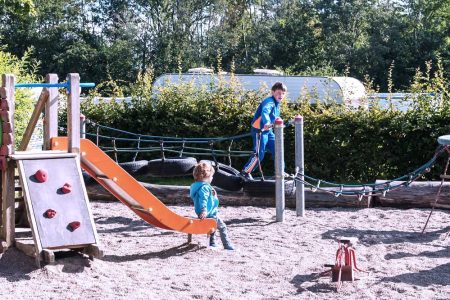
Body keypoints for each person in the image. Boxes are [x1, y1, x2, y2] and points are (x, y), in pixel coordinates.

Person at [240, 82, 287, 180]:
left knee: (278, 149)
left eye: (283, 93)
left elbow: (275, 118)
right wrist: (266, 122)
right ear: (273, 92)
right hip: (259, 131)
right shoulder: (269, 101)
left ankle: (280, 172)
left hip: (268, 132)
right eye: (278, 93)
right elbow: (265, 111)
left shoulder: (277, 105)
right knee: (259, 154)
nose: (281, 95)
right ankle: (245, 172)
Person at [189, 162, 235, 250]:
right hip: (208, 212)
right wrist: (204, 210)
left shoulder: (197, 186)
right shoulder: (205, 187)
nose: (212, 178)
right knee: (222, 227)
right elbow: (203, 199)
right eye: (211, 176)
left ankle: (212, 243)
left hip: (204, 212)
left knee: (212, 227)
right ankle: (227, 245)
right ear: (206, 176)